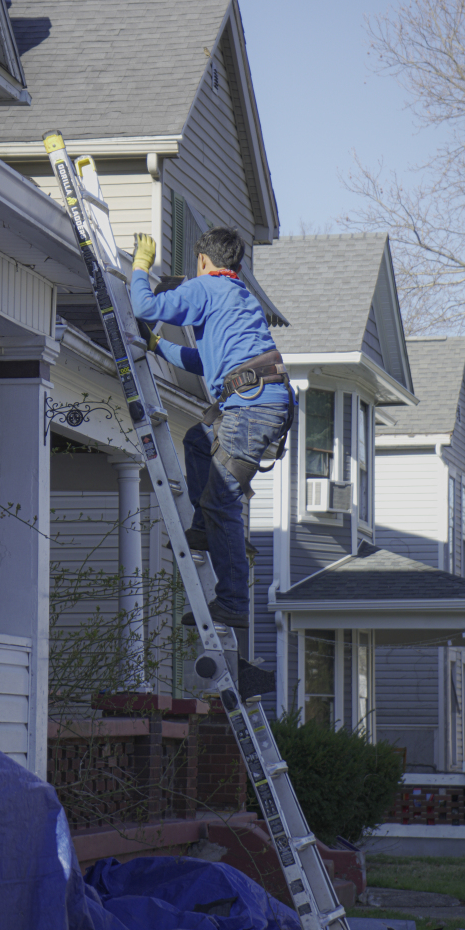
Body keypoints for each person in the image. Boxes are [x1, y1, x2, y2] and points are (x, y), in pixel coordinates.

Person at [130, 227, 292, 630]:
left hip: (251, 408)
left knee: (222, 502)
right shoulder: (238, 296)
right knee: (198, 442)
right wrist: (157, 347)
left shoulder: (206, 288)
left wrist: (139, 266)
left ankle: (234, 602)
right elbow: (208, 362)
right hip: (264, 401)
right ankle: (202, 529)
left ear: (203, 261)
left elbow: (144, 305)